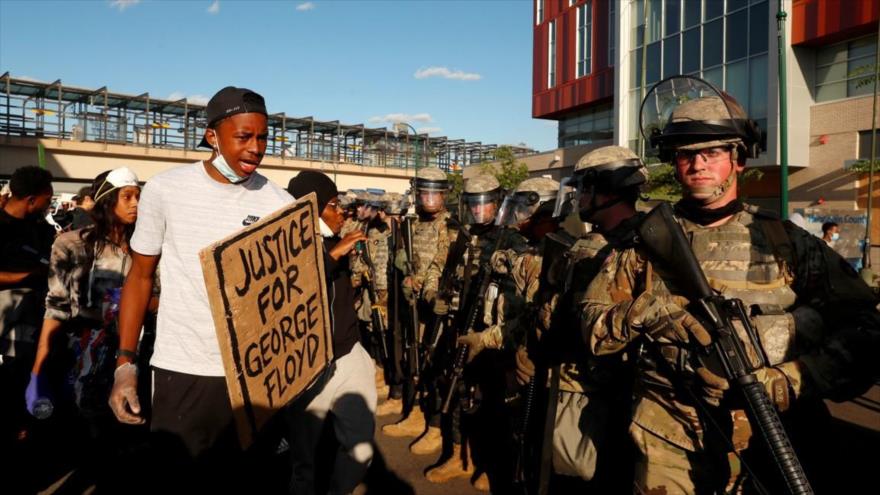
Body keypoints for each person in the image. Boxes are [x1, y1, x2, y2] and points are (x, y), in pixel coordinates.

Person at [581, 76, 880, 494]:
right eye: (686, 154)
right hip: (670, 435)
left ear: (739, 159)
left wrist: (794, 377)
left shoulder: (787, 242)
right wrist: (650, 313)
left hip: (774, 434)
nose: (698, 163)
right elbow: (593, 328)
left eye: (713, 152)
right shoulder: (644, 241)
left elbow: (865, 328)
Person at [107, 87, 293, 490]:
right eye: (244, 137)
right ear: (213, 136)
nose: (256, 148)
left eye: (263, 138)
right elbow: (139, 278)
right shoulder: (165, 190)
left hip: (255, 378)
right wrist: (125, 364)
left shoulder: (280, 201)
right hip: (183, 370)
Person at [26, 167, 149, 489]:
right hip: (82, 356)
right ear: (108, 201)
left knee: (126, 440)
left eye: (139, 196)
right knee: (85, 438)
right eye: (128, 197)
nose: (136, 203)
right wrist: (38, 370)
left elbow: (159, 298)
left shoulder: (147, 251)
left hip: (133, 353)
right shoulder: (71, 245)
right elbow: (56, 307)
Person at [285, 170, 376, 495]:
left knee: (361, 447)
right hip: (306, 367)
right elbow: (289, 290)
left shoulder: (339, 241)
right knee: (304, 460)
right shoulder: (288, 249)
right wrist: (330, 256)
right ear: (311, 209)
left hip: (349, 354)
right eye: (334, 205)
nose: (342, 213)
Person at [382, 167, 453, 457]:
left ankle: (435, 426)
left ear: (445, 195)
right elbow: (404, 257)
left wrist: (423, 286)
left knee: (434, 367)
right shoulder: (414, 225)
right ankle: (414, 413)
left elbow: (444, 265)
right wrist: (403, 264)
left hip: (434, 310)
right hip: (411, 307)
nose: (430, 198)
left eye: (435, 192)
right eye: (425, 192)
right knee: (413, 362)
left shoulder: (450, 226)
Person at [0, 165, 55, 474]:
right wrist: (30, 275)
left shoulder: (42, 229)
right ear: (32, 199)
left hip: (34, 326)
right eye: (47, 199)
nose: (49, 205)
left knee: (26, 386)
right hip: (4, 326)